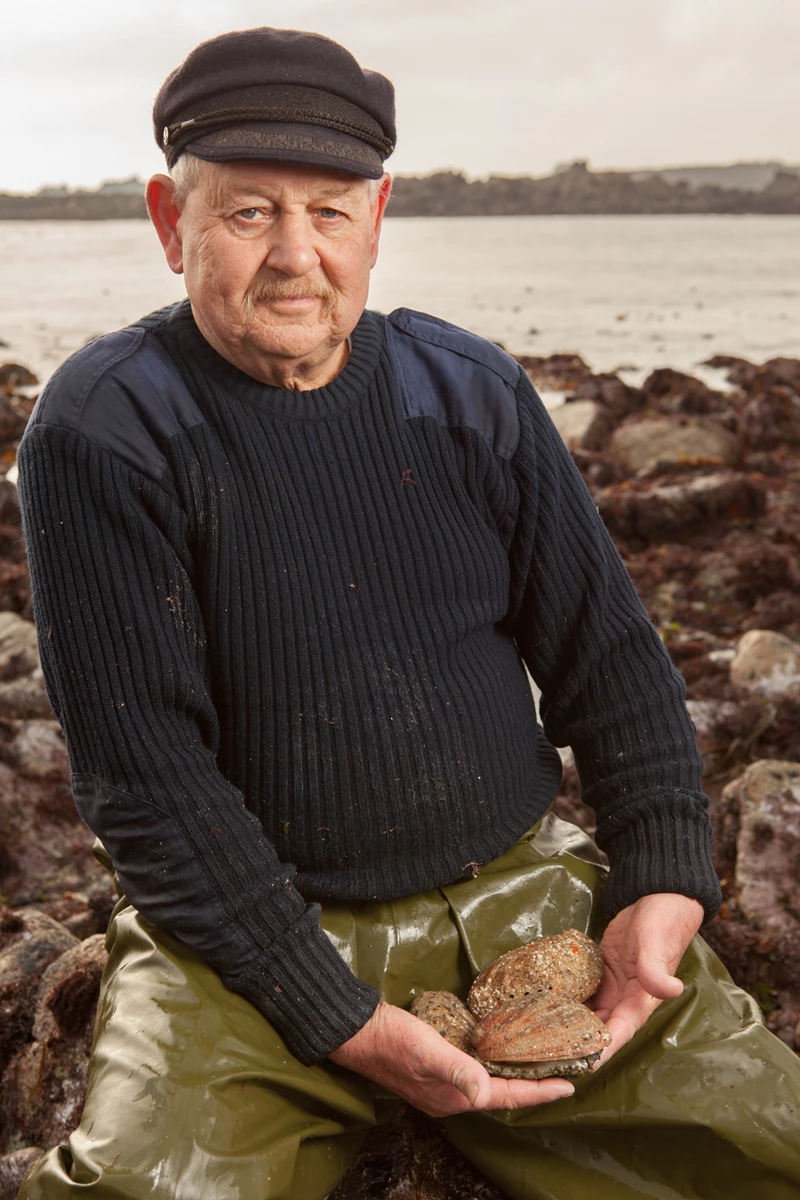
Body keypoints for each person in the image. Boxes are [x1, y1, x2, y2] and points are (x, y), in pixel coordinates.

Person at [15, 26, 800, 1200]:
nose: (294, 255)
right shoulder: (102, 430)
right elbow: (151, 788)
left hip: (524, 892)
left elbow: (611, 663)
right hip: (240, 944)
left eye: (329, 213)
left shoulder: (466, 390)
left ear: (376, 218)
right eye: (247, 214)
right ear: (169, 223)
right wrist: (341, 1019)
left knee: (765, 1150)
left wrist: (661, 880)